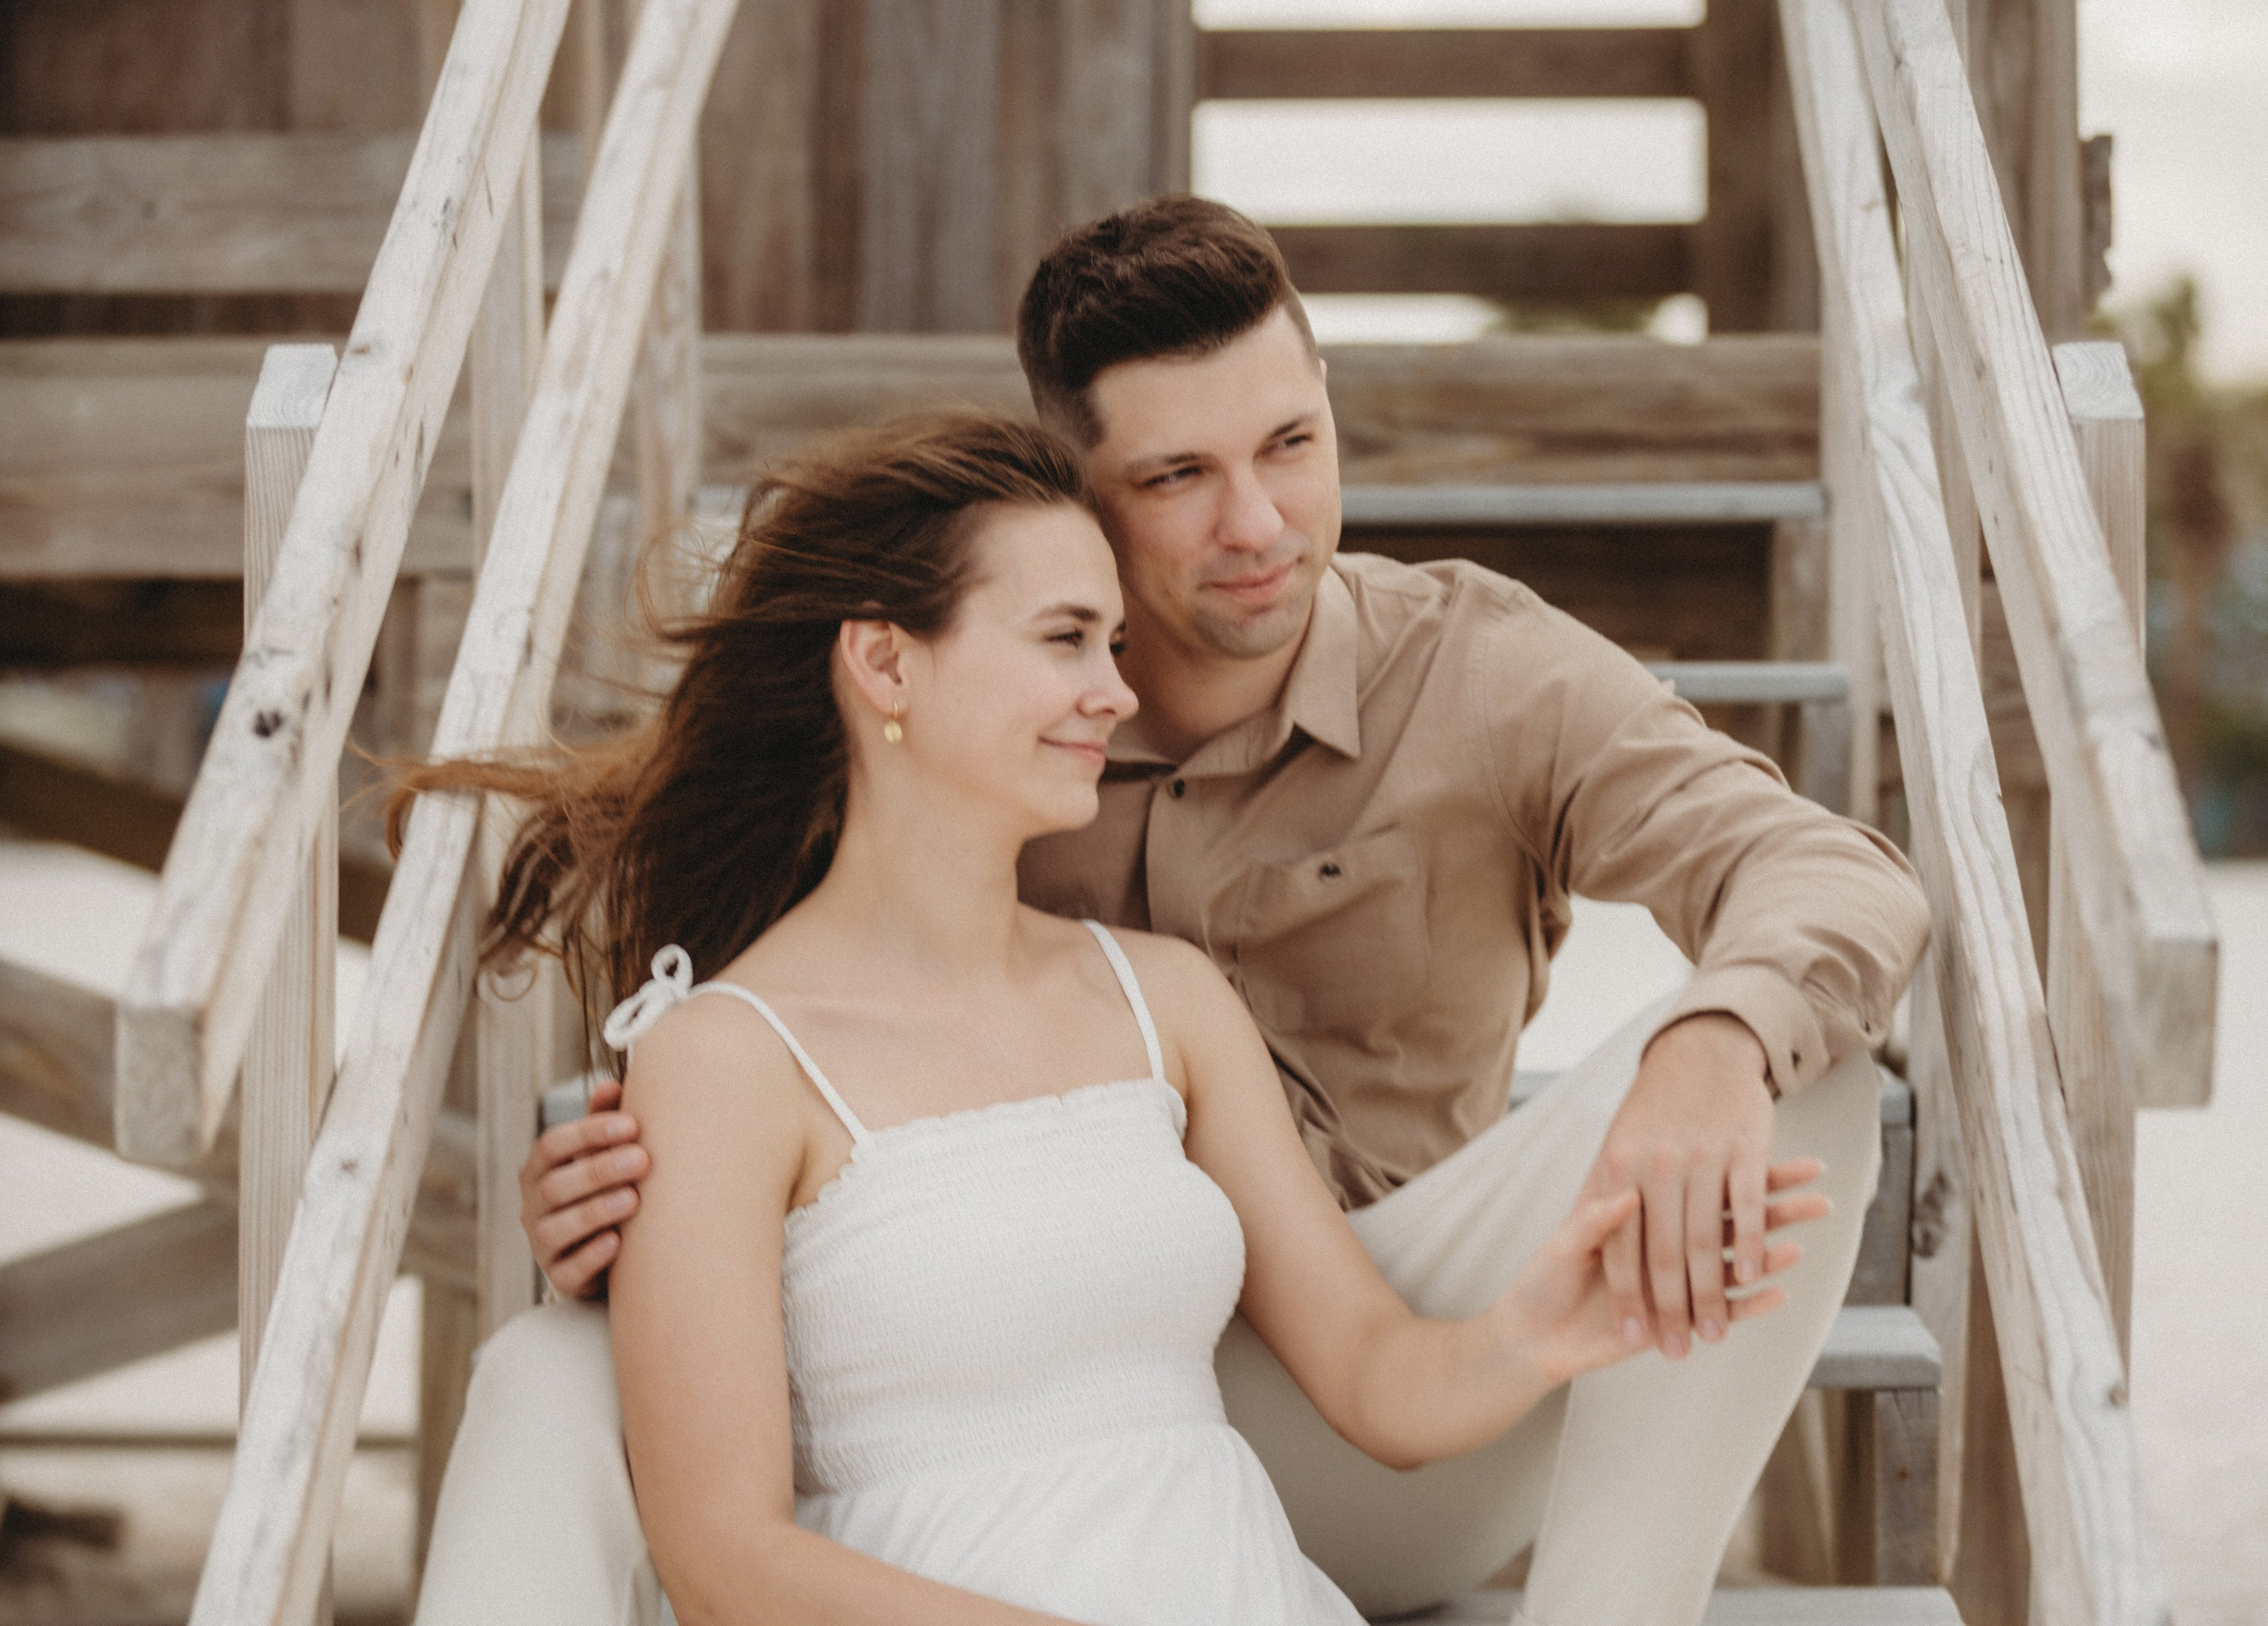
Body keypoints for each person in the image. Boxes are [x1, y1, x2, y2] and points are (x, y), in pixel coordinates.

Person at [419, 198, 1929, 1626]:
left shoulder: (1479, 671)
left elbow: (1832, 873)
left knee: (1805, 1072)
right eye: (1176, 479)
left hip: (1394, 1376)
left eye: (1291, 444)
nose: (1257, 522)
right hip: (1022, 1389)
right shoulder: (978, 740)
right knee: (552, 1366)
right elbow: (761, 1066)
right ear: (1078, 500)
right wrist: (648, 1214)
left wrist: (1712, 1045)